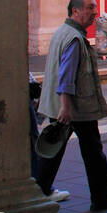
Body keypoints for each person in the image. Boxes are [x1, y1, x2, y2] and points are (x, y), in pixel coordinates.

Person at [35, 0, 107, 211]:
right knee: (93, 151)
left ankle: (39, 191)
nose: (95, 12)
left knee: (56, 150)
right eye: (90, 8)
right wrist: (65, 107)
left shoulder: (62, 32)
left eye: (94, 8)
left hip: (66, 106)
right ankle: (101, 198)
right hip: (76, 108)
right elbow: (66, 76)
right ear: (75, 11)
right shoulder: (74, 39)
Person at [29, 73, 69, 203]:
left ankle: (41, 186)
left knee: (32, 138)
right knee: (32, 139)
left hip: (25, 91)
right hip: (22, 92)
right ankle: (41, 189)